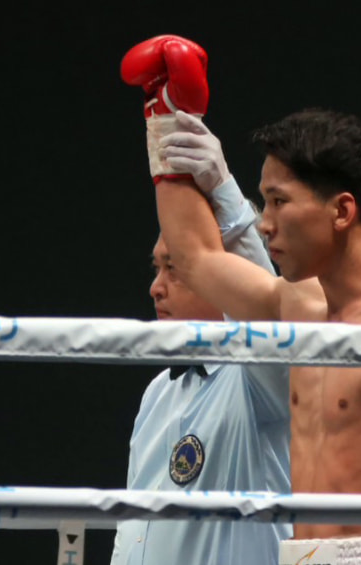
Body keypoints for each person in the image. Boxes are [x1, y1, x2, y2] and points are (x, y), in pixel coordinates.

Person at [123, 34, 361, 565]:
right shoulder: (299, 308)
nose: (264, 224)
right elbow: (196, 258)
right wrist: (165, 119)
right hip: (299, 554)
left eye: (278, 202)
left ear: (341, 212)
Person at [111, 36, 291, 565]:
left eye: (175, 267)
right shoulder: (157, 394)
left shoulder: (263, 383)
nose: (156, 286)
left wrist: (223, 189)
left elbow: (270, 316)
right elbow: (135, 535)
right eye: (157, 267)